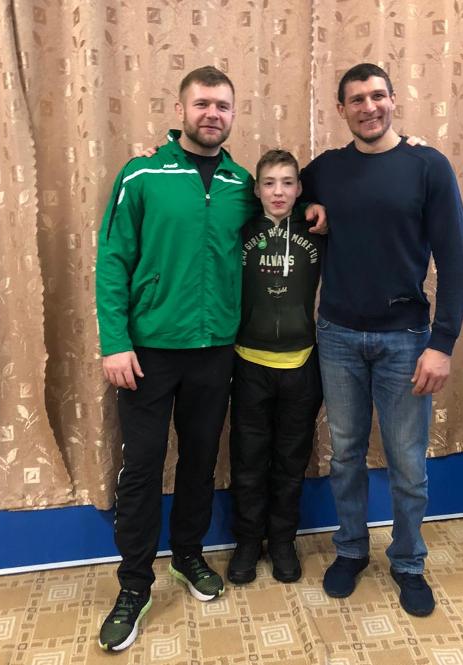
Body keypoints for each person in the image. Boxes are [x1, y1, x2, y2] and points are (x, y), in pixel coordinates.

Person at [95, 66, 324, 652]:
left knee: (199, 463)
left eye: (222, 105)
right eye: (202, 104)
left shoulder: (240, 184)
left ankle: (188, 555)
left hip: (216, 351)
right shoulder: (141, 173)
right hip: (147, 352)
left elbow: (284, 205)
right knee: (143, 468)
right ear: (180, 110)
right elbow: (112, 258)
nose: (212, 114)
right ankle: (133, 586)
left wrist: (318, 205)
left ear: (233, 114)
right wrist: (115, 341)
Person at [300, 63, 463, 617]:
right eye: (357, 99)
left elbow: (455, 260)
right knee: (345, 455)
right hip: (337, 337)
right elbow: (274, 189)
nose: (368, 107)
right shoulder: (326, 170)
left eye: (378, 96)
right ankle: (351, 549)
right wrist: (307, 206)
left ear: (394, 100)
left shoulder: (427, 165)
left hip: (407, 341)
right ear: (341, 109)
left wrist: (442, 344)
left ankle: (408, 562)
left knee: (407, 463)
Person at [227, 150, 324, 586]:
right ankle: (248, 542)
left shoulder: (317, 228)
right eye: (269, 183)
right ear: (257, 189)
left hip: (302, 365)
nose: (278, 192)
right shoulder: (241, 228)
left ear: (300, 188)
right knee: (248, 460)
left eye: (287, 182)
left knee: (290, 460)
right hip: (249, 363)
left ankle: (283, 541)